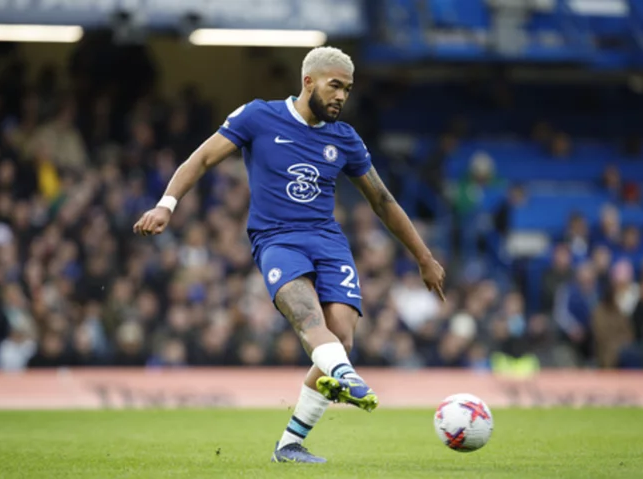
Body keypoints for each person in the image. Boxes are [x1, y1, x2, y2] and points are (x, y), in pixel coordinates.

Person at [133, 47, 445, 463]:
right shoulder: (258, 117)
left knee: (341, 339)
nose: (341, 97)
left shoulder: (345, 138)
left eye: (348, 90)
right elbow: (203, 157)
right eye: (335, 86)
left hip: (329, 241)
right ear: (308, 82)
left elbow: (383, 200)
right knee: (309, 320)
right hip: (277, 239)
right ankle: (347, 378)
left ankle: (290, 444)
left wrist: (423, 257)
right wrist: (165, 205)